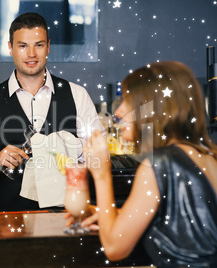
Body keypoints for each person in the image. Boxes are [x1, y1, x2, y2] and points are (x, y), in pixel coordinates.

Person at [69, 61, 217, 267]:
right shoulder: (208, 156)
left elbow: (114, 248)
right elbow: (183, 222)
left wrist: (101, 173)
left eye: (128, 101)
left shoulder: (158, 165)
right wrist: (110, 213)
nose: (118, 112)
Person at [0, 12, 103, 211]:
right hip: (8, 219)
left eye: (38, 45)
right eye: (23, 46)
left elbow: (100, 154)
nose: (31, 54)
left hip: (67, 216)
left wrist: (67, 145)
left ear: (48, 46)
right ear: (10, 48)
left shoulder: (77, 95)